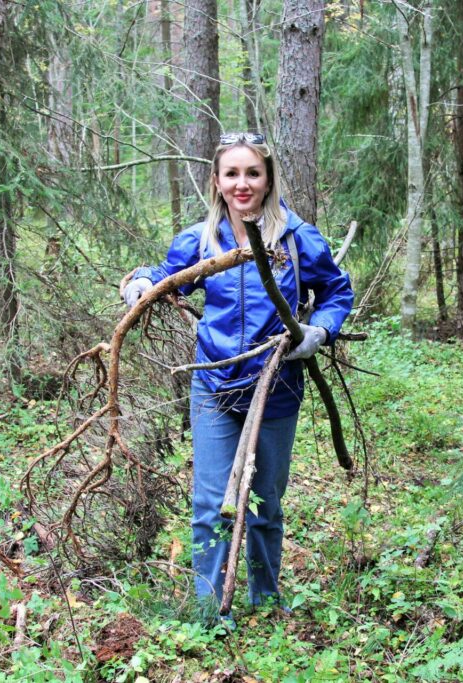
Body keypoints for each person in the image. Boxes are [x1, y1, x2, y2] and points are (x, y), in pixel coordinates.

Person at [122, 133, 354, 618]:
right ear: (217, 180)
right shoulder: (201, 240)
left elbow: (336, 291)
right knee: (210, 505)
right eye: (232, 174)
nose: (242, 184)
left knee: (266, 504)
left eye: (253, 173)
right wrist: (143, 283)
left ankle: (266, 603)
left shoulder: (297, 237)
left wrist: (320, 331)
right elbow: (167, 275)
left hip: (277, 388)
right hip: (214, 386)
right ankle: (211, 611)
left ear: (268, 179)